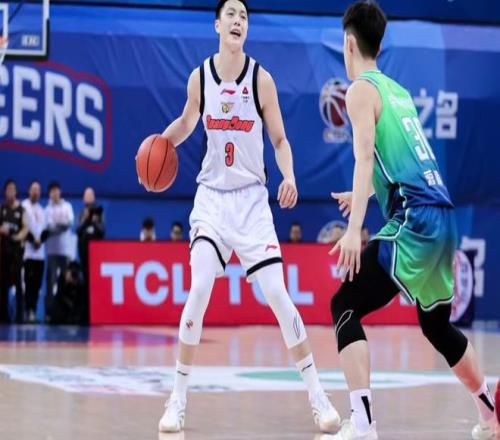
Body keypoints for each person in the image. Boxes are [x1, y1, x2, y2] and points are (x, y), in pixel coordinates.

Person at [155, 0, 339, 433]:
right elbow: (187, 121)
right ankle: (177, 399)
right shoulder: (200, 77)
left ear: (246, 29)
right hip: (212, 199)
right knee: (200, 287)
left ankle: (318, 396)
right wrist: (160, 144)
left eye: (243, 16)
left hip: (252, 201)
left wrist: (289, 175)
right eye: (231, 15)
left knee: (278, 294)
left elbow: (280, 139)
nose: (238, 21)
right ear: (217, 24)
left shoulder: (262, 80)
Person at [328, 2, 497, 439]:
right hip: (443, 217)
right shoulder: (398, 92)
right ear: (379, 43)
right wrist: (362, 194)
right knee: (436, 325)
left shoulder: (360, 90)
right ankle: (490, 416)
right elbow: (402, 165)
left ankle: (363, 426)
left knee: (344, 304)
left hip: (415, 221)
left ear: (348, 43)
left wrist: (353, 230)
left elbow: (365, 159)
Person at [44, 181, 74, 321]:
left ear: (60, 192)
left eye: (56, 190)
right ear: (49, 193)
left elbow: (69, 223)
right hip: (51, 251)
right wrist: (60, 226)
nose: (55, 193)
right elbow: (48, 228)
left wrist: (57, 226)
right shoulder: (47, 209)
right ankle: (49, 313)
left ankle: (66, 313)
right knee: (50, 283)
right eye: (52, 191)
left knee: (66, 283)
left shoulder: (67, 206)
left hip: (65, 251)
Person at [0, 179, 28, 323]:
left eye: (13, 189)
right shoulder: (2, 209)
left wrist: (16, 237)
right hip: (3, 252)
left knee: (18, 284)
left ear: (16, 192)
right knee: (2, 284)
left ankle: (20, 317)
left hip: (17, 252)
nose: (11, 192)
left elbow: (25, 228)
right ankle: (3, 316)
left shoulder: (21, 210)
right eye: (8, 189)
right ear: (5, 192)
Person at [22, 180, 46, 323]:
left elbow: (44, 230)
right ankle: (26, 311)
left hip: (40, 254)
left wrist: (40, 241)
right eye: (34, 189)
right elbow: (23, 228)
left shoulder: (42, 210)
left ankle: (33, 311)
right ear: (29, 191)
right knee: (28, 284)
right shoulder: (23, 206)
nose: (36, 192)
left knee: (37, 285)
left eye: (38, 190)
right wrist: (32, 240)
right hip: (28, 253)